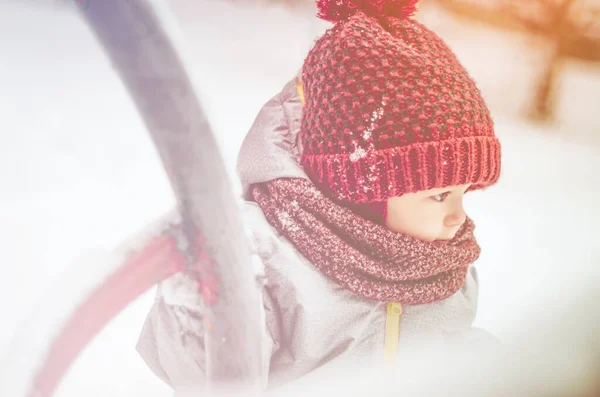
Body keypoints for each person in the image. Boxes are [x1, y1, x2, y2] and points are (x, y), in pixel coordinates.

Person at [136, 0, 502, 391]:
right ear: (366, 191)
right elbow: (206, 372)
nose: (458, 217)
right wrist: (200, 302)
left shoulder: (445, 268)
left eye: (465, 192)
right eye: (440, 194)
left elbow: (449, 351)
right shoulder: (268, 256)